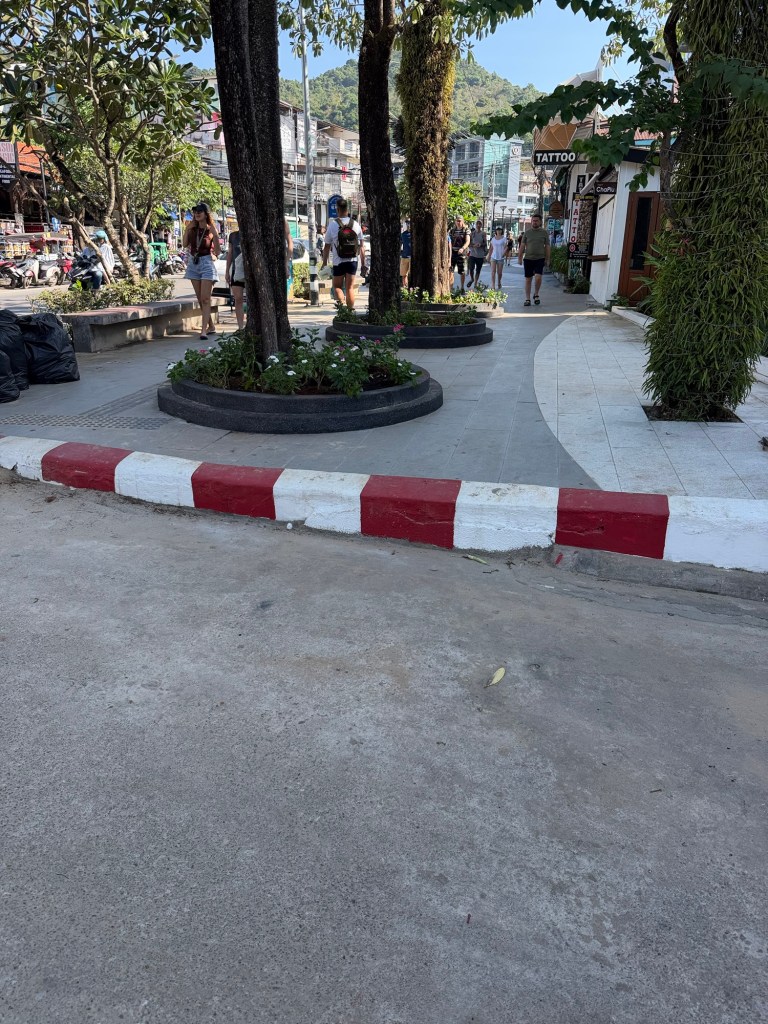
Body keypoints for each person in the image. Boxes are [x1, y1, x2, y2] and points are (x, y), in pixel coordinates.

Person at [183, 202, 221, 339]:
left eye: (200, 211)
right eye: (195, 211)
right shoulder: (192, 229)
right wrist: (187, 229)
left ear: (206, 214)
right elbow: (185, 244)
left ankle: (203, 331)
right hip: (193, 263)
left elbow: (217, 251)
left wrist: (215, 235)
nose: (197, 214)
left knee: (205, 298)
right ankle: (211, 325)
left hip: (206, 263)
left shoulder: (211, 229)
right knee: (200, 299)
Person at [321, 199, 366, 310]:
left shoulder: (332, 225)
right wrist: (363, 263)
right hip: (352, 261)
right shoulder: (356, 224)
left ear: (337, 209)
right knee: (350, 288)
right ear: (347, 209)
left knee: (337, 286)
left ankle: (342, 310)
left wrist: (324, 263)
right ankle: (350, 312)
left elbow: (326, 247)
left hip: (338, 261)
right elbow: (361, 246)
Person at [518, 213, 550, 307]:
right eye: (533, 221)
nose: (534, 222)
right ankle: (527, 299)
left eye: (536, 221)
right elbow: (522, 246)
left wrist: (548, 259)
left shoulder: (544, 233)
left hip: (540, 258)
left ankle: (536, 294)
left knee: (538, 277)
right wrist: (520, 257)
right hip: (528, 259)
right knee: (528, 279)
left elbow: (547, 246)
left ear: (540, 222)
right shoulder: (527, 233)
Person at [225, 228, 245, 331]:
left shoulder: (255, 232)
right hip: (236, 270)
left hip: (251, 271)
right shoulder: (233, 236)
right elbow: (230, 253)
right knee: (238, 298)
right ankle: (240, 327)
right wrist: (227, 271)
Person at [449, 216, 470, 292]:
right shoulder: (452, 231)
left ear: (462, 221)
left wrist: (463, 248)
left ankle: (462, 287)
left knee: (462, 271)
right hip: (453, 252)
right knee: (450, 271)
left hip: (461, 253)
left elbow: (467, 241)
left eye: (460, 221)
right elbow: (449, 241)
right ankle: (450, 289)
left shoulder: (466, 230)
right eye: (457, 221)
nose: (458, 222)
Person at [486, 226, 507, 290]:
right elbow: (491, 248)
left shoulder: (504, 239)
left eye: (500, 230)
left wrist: (504, 254)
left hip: (501, 257)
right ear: (496, 231)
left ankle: (499, 282)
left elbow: (506, 247)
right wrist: (489, 256)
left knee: (499, 273)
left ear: (502, 231)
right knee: (493, 272)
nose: (499, 231)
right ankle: (493, 285)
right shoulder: (493, 239)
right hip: (493, 257)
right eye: (497, 230)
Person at [468, 219, 487, 289]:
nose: (478, 225)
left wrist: (480, 244)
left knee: (478, 270)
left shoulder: (483, 234)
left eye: (480, 224)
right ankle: (472, 279)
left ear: (481, 225)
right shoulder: (472, 233)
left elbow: (485, 243)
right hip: (472, 254)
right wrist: (473, 245)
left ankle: (475, 283)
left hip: (480, 255)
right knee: (471, 268)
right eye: (477, 224)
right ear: (475, 225)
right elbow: (468, 243)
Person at [400, 218, 412, 288]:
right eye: (407, 223)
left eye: (409, 223)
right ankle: (404, 287)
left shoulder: (414, 234)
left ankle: (410, 287)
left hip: (412, 257)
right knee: (403, 274)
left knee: (411, 274)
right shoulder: (403, 234)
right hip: (404, 256)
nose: (408, 224)